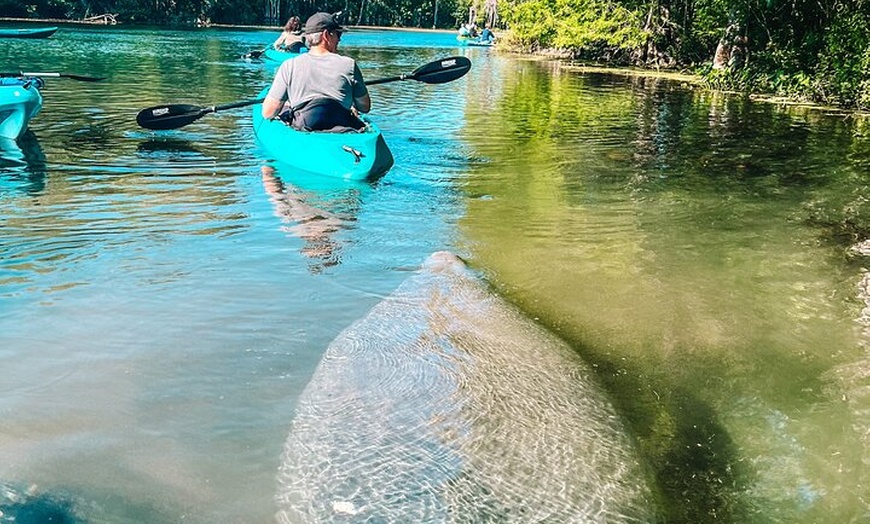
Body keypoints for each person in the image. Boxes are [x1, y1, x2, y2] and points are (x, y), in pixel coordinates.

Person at [261, 12, 370, 132]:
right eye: (338, 34)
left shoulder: (289, 66)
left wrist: (287, 106)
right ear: (326, 35)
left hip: (305, 127)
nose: (340, 39)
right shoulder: (349, 64)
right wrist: (353, 104)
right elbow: (364, 107)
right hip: (343, 128)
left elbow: (268, 112)